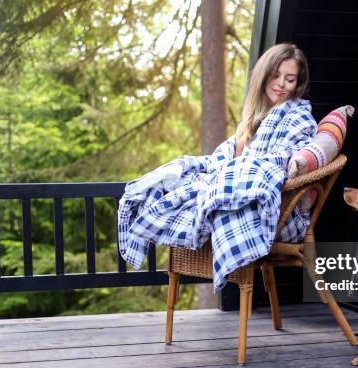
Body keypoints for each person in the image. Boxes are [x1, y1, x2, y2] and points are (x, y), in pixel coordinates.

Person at [118, 43, 317, 291]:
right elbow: (227, 157)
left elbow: (283, 158)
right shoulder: (254, 120)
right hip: (243, 188)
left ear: (298, 84)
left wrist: (231, 174)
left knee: (216, 202)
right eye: (275, 75)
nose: (280, 84)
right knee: (167, 183)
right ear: (263, 76)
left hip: (282, 212)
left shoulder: (298, 117)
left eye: (289, 79)